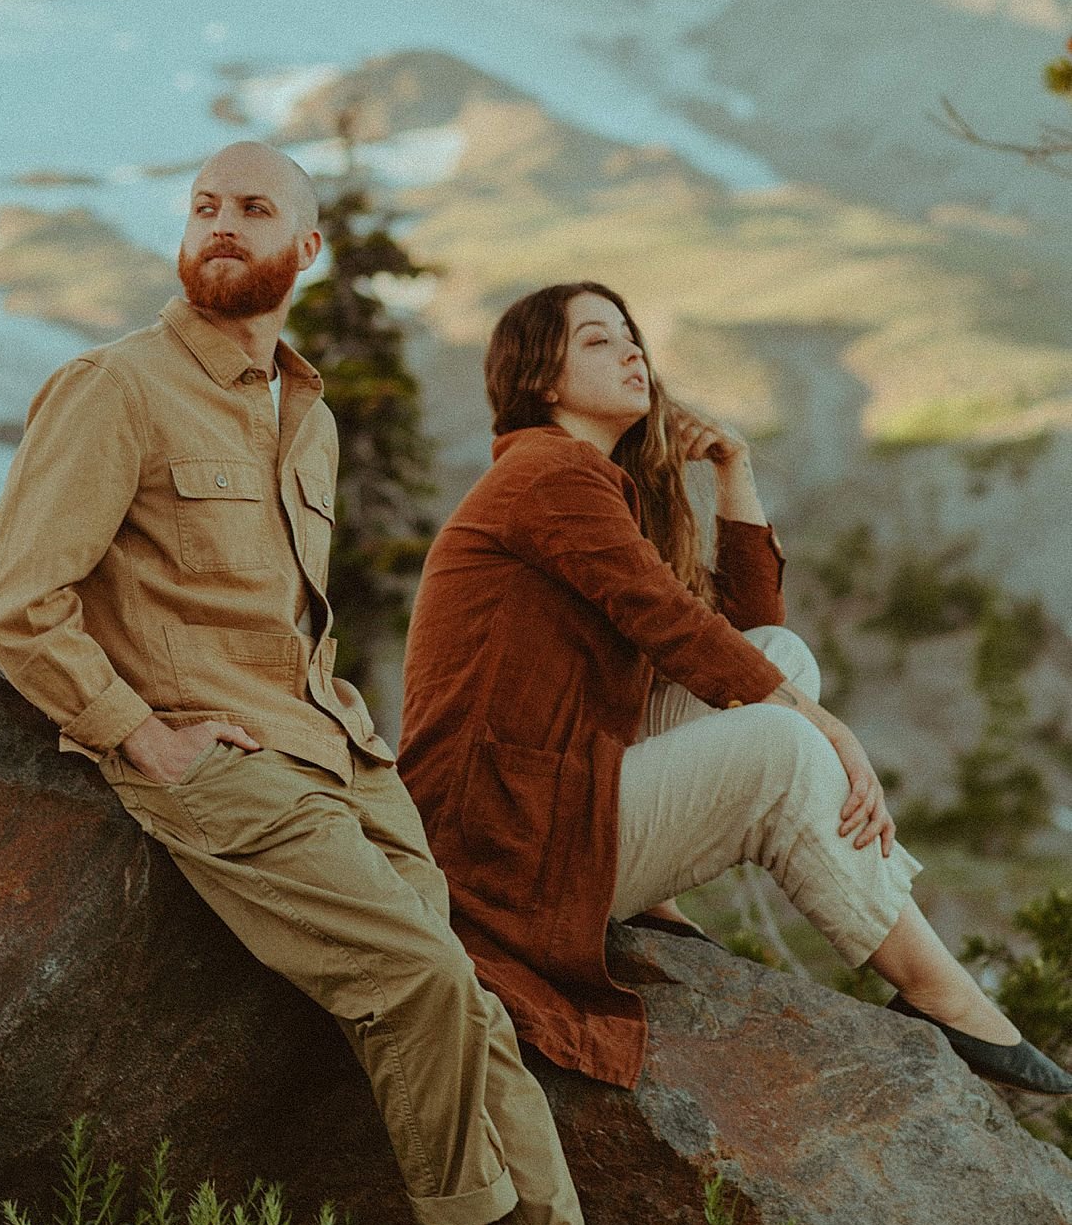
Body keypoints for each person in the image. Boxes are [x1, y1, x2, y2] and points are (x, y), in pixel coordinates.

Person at [0, 153, 711, 1225]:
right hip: (213, 759)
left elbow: (291, 619)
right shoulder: (115, 389)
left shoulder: (303, 413)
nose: (220, 227)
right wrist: (136, 733)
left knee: (477, 1003)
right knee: (420, 981)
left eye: (253, 210)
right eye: (204, 207)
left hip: (336, 751)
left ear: (305, 248)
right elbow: (16, 600)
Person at [397, 279, 1072, 1103]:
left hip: (548, 800)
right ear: (542, 378)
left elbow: (748, 632)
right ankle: (941, 991)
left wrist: (733, 470)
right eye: (599, 341)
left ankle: (682, 903)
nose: (633, 352)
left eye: (631, 335)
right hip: (501, 845)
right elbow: (676, 631)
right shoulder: (550, 477)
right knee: (782, 740)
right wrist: (833, 733)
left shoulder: (593, 483)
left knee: (779, 655)